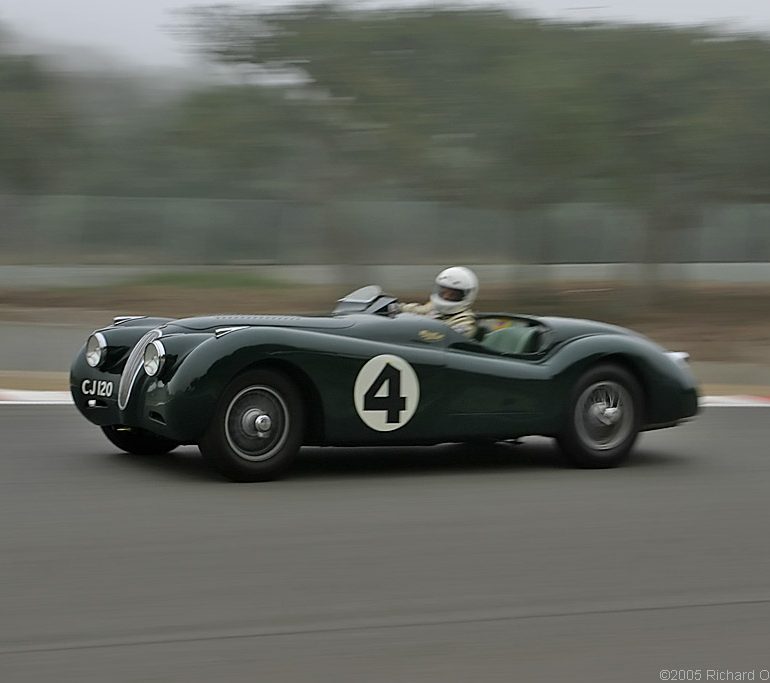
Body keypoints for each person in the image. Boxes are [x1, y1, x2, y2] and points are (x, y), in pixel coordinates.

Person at [399, 266, 478, 338]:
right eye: (443, 292)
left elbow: (444, 339)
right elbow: (417, 310)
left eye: (453, 294)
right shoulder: (432, 307)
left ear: (465, 296)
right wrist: (396, 307)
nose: (446, 296)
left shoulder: (465, 322)